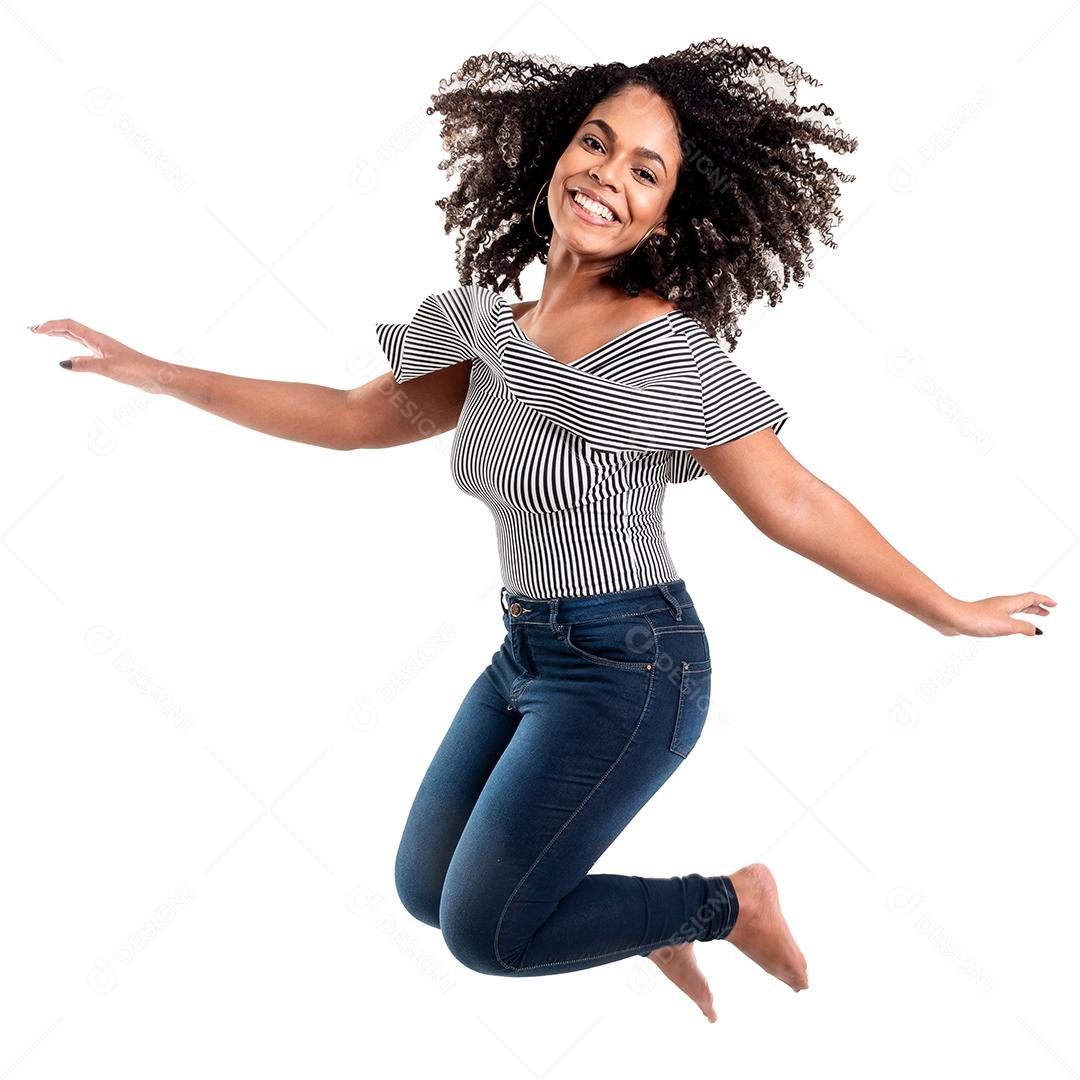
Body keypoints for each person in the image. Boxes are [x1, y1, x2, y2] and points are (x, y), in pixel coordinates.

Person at [29, 40, 1056, 1023]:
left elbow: (793, 502)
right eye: (598, 141)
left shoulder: (669, 355)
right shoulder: (493, 327)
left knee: (489, 936)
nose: (609, 174)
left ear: (665, 216)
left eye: (646, 171)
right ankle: (648, 924)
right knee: (426, 892)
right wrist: (153, 370)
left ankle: (724, 904)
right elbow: (349, 419)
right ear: (560, 146)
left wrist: (946, 609)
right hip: (527, 651)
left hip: (634, 666)